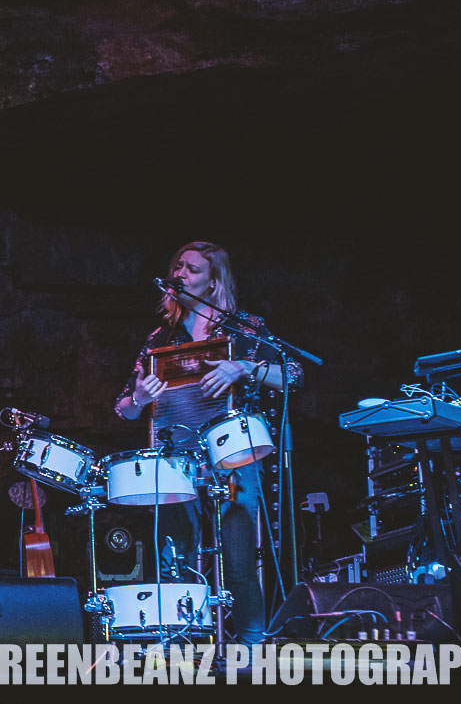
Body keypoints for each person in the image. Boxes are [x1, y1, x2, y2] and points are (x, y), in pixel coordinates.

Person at [114, 241, 302, 645]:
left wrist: (244, 366)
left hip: (233, 456)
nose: (179, 273)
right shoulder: (159, 339)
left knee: (238, 562)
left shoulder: (244, 329)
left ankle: (252, 645)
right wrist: (141, 400)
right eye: (177, 266)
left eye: (192, 269)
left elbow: (293, 375)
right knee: (175, 561)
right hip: (173, 459)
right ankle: (185, 647)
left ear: (214, 281)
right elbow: (125, 408)